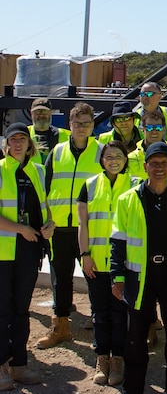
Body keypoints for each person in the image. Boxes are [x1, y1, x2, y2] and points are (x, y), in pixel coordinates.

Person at [110, 142, 167, 394]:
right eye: (154, 163)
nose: (159, 168)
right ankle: (134, 388)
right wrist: (116, 275)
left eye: (164, 163)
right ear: (145, 167)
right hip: (139, 276)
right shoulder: (128, 199)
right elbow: (117, 240)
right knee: (136, 337)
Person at [40, 101, 104, 349]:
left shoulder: (101, 152)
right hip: (59, 228)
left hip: (88, 228)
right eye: (77, 123)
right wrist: (47, 220)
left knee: (95, 276)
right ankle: (61, 326)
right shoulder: (57, 153)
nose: (81, 128)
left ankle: (99, 322)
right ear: (70, 125)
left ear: (92, 126)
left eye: (86, 124)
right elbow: (44, 188)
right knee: (61, 278)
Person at [0, 123, 54, 389]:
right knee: (2, 310)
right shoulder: (0, 171)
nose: (18, 144)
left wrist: (50, 225)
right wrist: (20, 228)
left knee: (22, 310)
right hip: (3, 251)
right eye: (13, 140)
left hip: (30, 251)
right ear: (6, 144)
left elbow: (46, 208)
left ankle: (18, 365)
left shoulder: (38, 171)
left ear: (30, 143)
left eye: (22, 139)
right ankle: (0, 366)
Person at [77, 140, 136, 386]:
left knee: (120, 314)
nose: (113, 160)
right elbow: (84, 225)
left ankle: (119, 360)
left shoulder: (135, 186)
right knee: (100, 314)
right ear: (102, 160)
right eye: (109, 156)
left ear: (125, 159)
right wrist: (85, 255)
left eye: (118, 156)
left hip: (124, 265)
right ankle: (102, 358)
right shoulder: (89, 186)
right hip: (97, 265)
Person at [127, 109, 167, 184]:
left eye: (158, 128)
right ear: (143, 130)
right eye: (149, 128)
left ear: (164, 130)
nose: (154, 131)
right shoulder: (130, 159)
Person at [133, 81, 167, 146]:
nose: (145, 97)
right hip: (142, 155)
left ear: (160, 96)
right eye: (142, 94)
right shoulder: (134, 116)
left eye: (149, 94)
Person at [27, 97, 69, 164]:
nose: (41, 115)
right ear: (31, 113)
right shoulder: (24, 134)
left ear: (50, 113)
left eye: (44, 111)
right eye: (37, 112)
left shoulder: (66, 135)